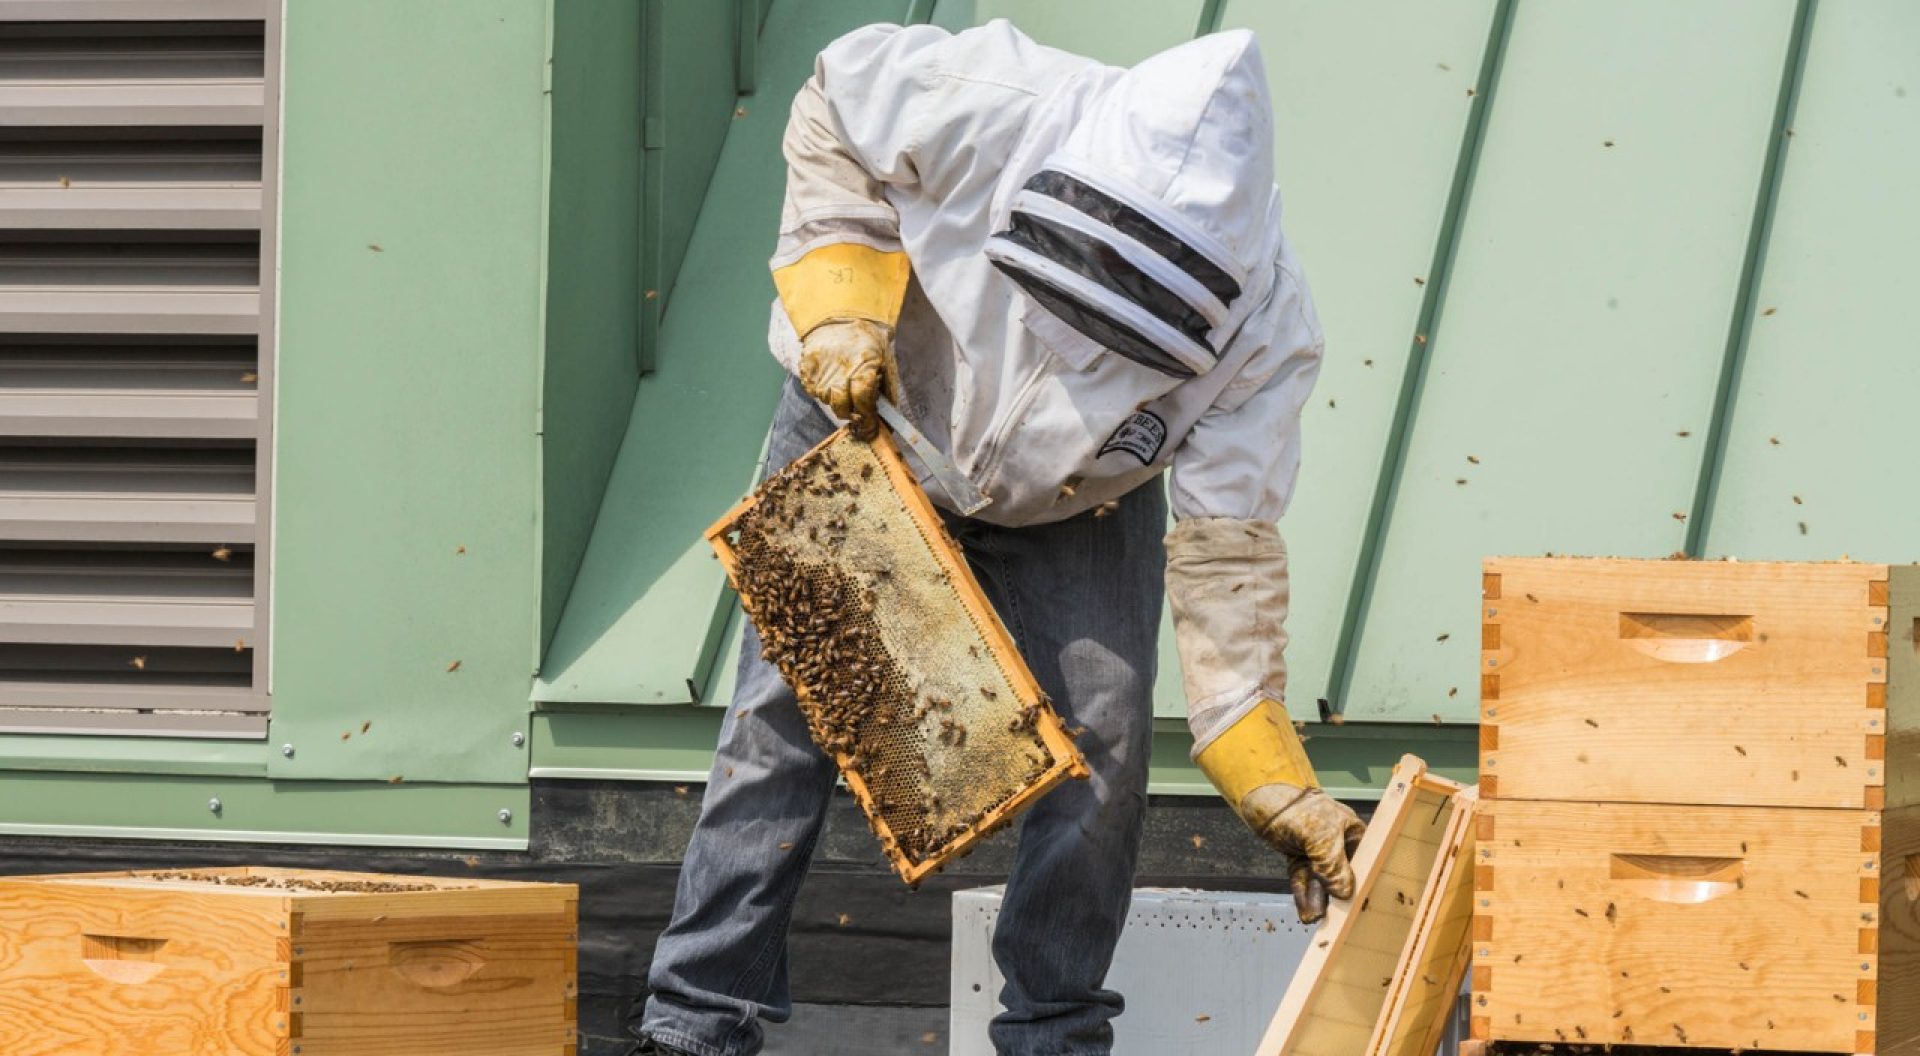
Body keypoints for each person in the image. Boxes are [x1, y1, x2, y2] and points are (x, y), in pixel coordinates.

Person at [631, 19, 1360, 1056]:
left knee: (1102, 744)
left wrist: (1267, 772)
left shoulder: (1269, 336)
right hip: (873, 401)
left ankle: (1053, 1036)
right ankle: (695, 1022)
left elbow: (1227, 548)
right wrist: (840, 304)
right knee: (784, 715)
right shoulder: (987, 97)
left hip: (1077, 502)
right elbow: (835, 99)